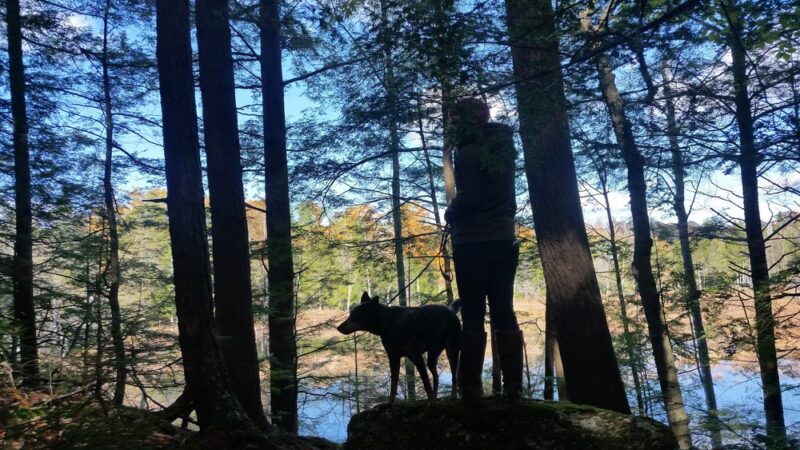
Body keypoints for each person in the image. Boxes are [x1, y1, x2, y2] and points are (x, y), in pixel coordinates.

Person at [444, 97, 523, 403]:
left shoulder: (468, 153)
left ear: (466, 120)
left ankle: (470, 388)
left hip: (472, 243)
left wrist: (451, 213)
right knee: (504, 309)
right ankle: (514, 387)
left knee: (474, 314)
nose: (451, 124)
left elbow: (470, 200)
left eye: (454, 118)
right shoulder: (503, 149)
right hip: (504, 240)